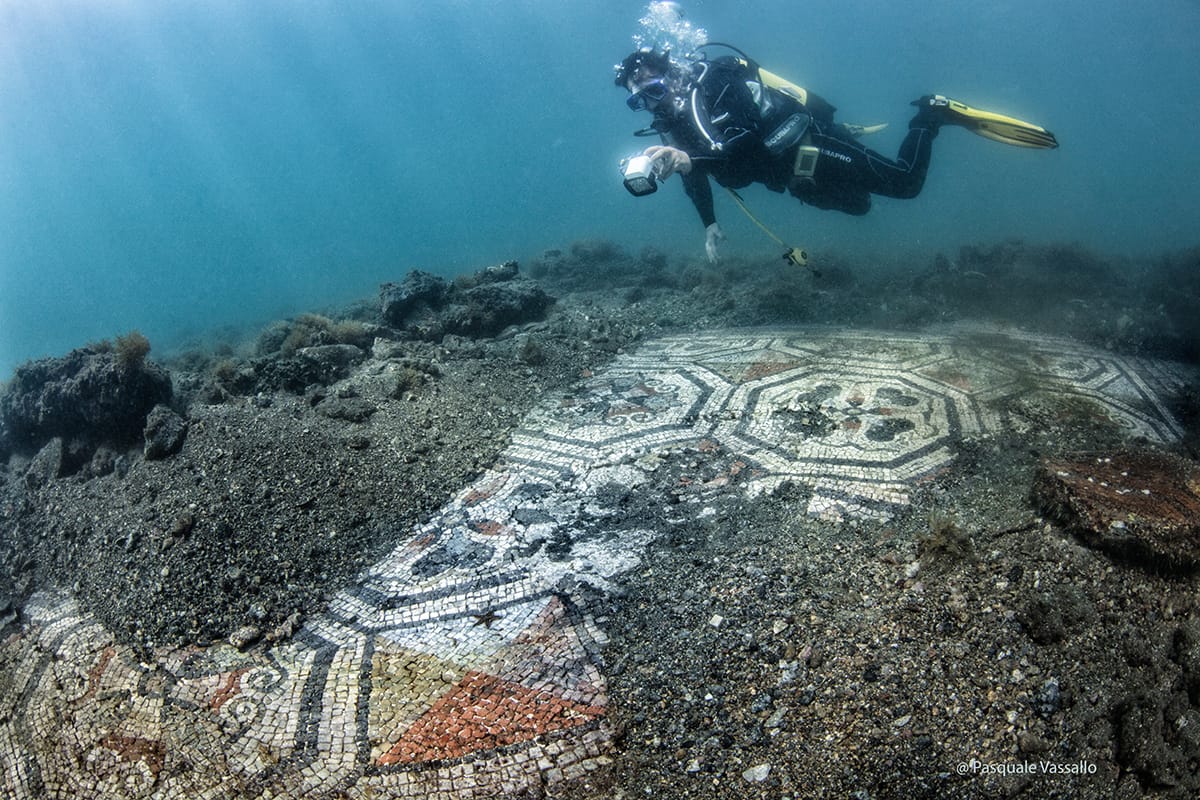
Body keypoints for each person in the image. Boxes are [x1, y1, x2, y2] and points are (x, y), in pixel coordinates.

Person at [614, 45, 1058, 262]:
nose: (650, 105)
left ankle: (930, 115)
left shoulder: (716, 83)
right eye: (639, 101)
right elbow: (691, 172)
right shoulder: (671, 125)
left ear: (670, 75)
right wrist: (709, 223)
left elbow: (745, 141)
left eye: (652, 91)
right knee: (861, 207)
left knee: (905, 184)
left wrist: (694, 161)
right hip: (794, 178)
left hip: (810, 147)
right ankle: (905, 132)